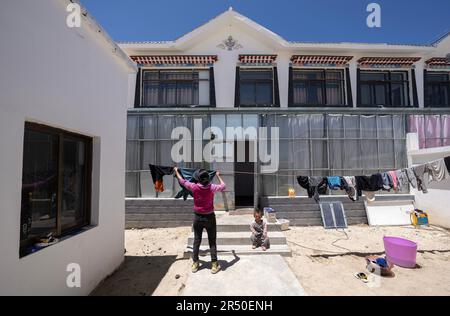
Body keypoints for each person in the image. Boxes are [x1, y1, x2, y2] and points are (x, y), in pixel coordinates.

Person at [174, 167, 226, 274]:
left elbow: (182, 181)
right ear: (208, 178)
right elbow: (223, 186)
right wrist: (218, 175)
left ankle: (195, 263)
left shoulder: (194, 187)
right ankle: (214, 264)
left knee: (197, 241)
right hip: (210, 217)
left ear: (198, 178)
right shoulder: (212, 187)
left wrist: (176, 171)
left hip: (197, 217)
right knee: (212, 241)